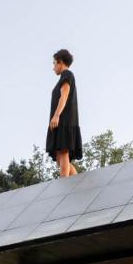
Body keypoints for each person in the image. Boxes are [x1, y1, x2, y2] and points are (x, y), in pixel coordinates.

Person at [46, 48, 82, 177]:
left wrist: (56, 116)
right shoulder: (63, 77)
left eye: (54, 63)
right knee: (60, 158)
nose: (53, 67)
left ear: (60, 62)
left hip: (65, 120)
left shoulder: (67, 74)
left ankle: (64, 185)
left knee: (63, 152)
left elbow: (64, 95)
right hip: (61, 120)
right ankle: (77, 183)